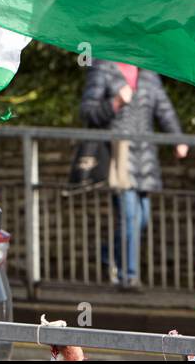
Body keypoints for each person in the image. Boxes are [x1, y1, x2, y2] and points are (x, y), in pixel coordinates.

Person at [79, 59, 187, 291]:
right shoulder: (103, 67)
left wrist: (177, 138)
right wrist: (115, 102)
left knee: (142, 218)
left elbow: (164, 109)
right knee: (129, 217)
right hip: (118, 154)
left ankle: (108, 254)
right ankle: (130, 277)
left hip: (145, 156)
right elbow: (88, 112)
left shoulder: (148, 71)